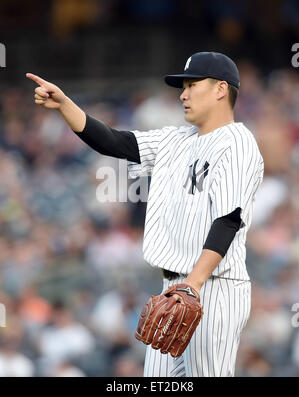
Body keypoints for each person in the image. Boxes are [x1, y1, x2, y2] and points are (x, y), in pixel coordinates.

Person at [26, 51, 264, 377]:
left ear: (221, 89)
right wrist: (66, 104)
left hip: (214, 288)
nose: (183, 94)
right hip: (175, 288)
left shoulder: (237, 142)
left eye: (193, 85)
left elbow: (229, 220)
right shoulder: (175, 138)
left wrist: (191, 286)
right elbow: (114, 142)